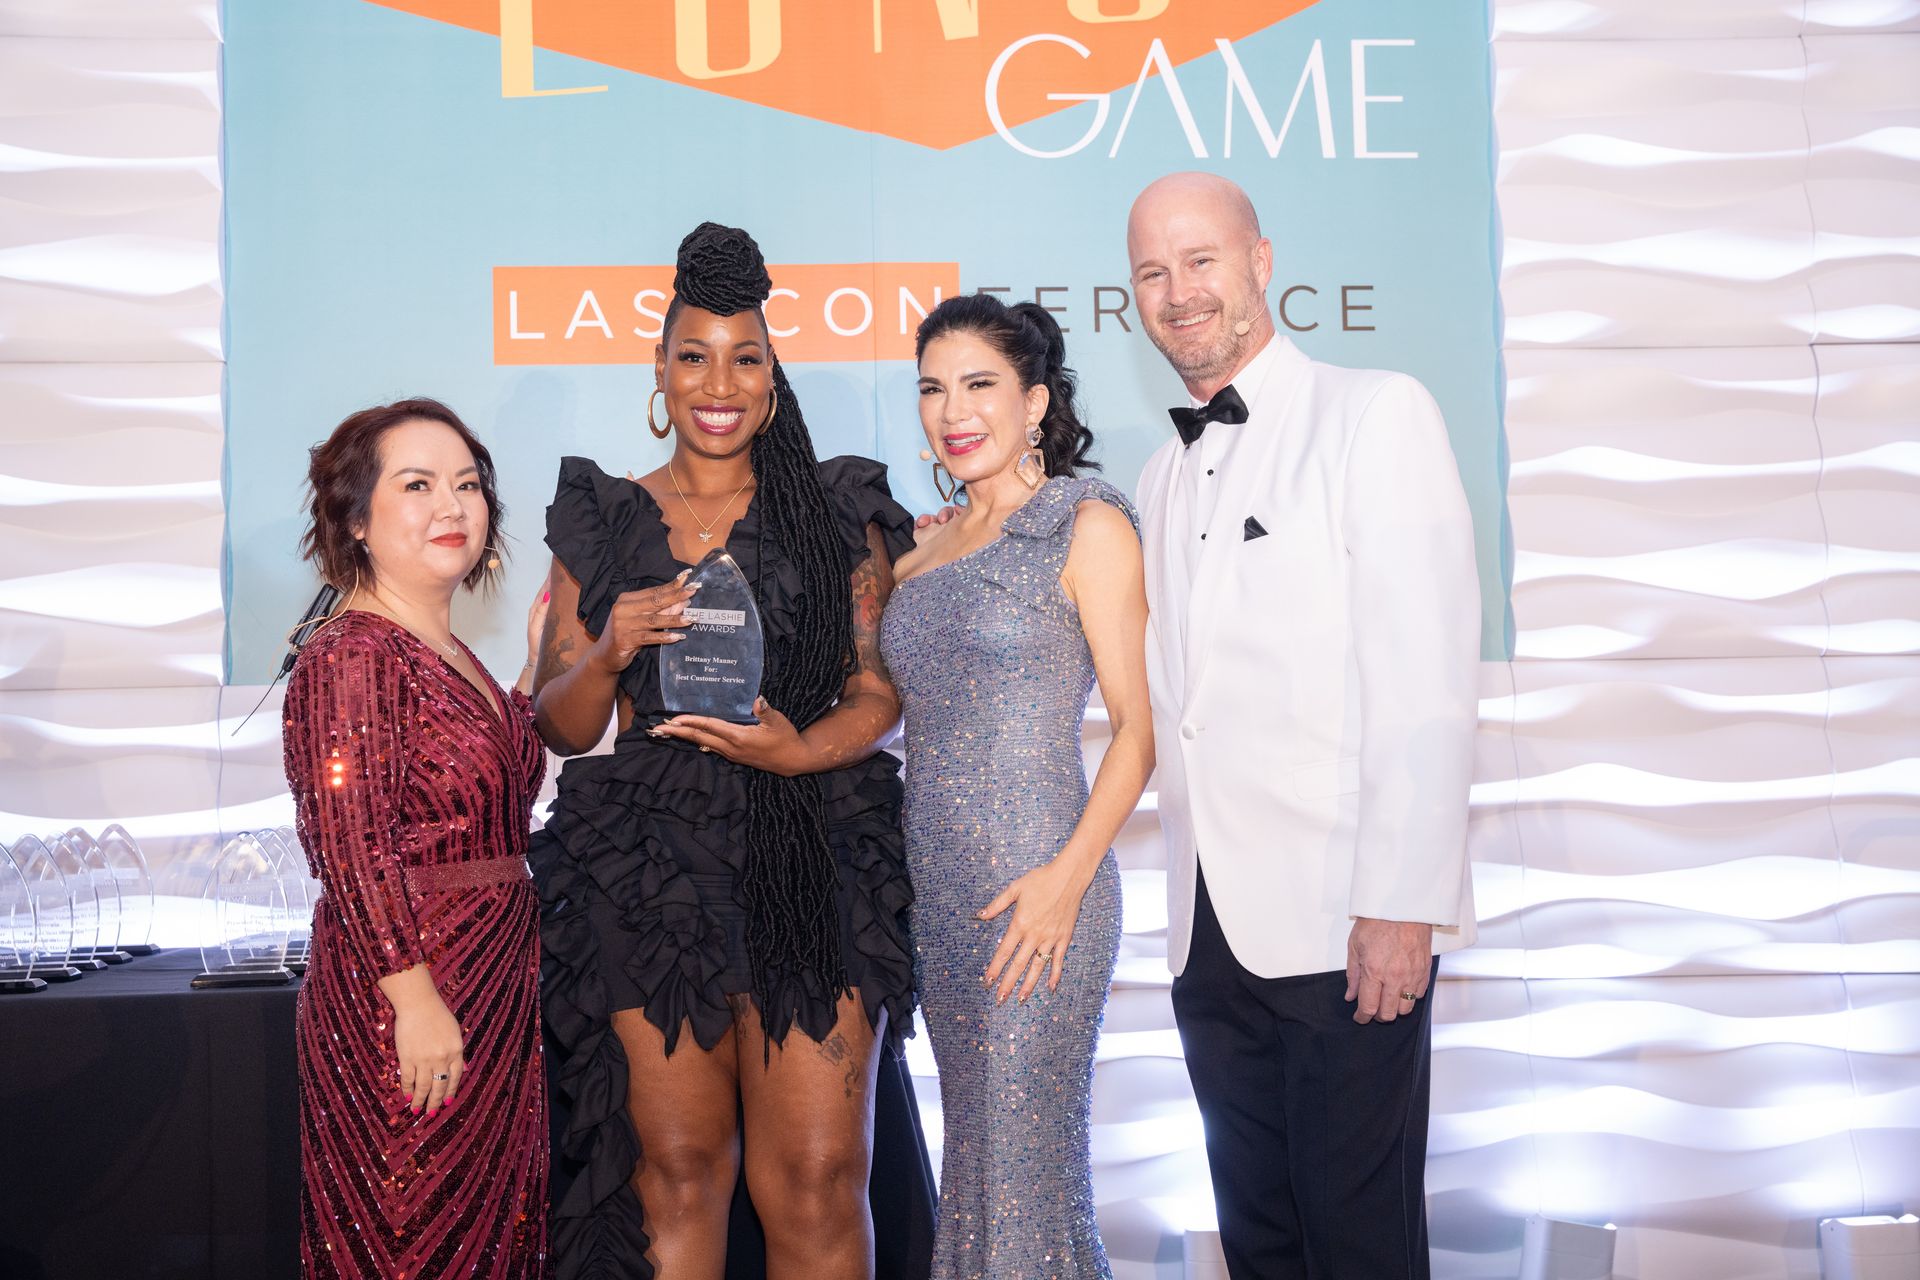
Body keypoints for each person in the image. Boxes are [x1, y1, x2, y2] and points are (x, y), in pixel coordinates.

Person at [528, 223, 922, 1280]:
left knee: (818, 1171)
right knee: (680, 1166)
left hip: (814, 847)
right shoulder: (605, 519)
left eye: (746, 357)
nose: (720, 381)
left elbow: (878, 688)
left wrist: (800, 753)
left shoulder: (834, 509)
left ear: (773, 377)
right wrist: (610, 649)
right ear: (659, 371)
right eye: (694, 356)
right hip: (649, 870)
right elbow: (560, 721)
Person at [1127, 171, 1480, 1279]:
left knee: (1361, 1245)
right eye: (1152, 270)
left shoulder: (1375, 412)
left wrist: (1403, 899)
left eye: (1202, 260)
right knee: (1263, 1243)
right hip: (1210, 936)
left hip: (1344, 920)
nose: (1179, 292)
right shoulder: (1155, 472)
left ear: (1261, 263)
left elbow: (1423, 674)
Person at [880, 294, 1154, 1280]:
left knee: (1026, 1183)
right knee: (980, 1172)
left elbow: (1138, 729)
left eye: (980, 383)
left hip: (1045, 895)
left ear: (1034, 401)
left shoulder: (1084, 525)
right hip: (942, 906)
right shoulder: (918, 553)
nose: (954, 408)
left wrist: (1065, 879)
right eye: (932, 387)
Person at [282, 397, 552, 1278]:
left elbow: (489, 799)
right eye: (419, 484)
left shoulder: (450, 651)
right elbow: (350, 845)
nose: (452, 506)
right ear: (357, 520)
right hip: (407, 993)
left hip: (497, 981)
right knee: (409, 1236)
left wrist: (536, 670)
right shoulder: (351, 654)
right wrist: (413, 997)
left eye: (468, 485)